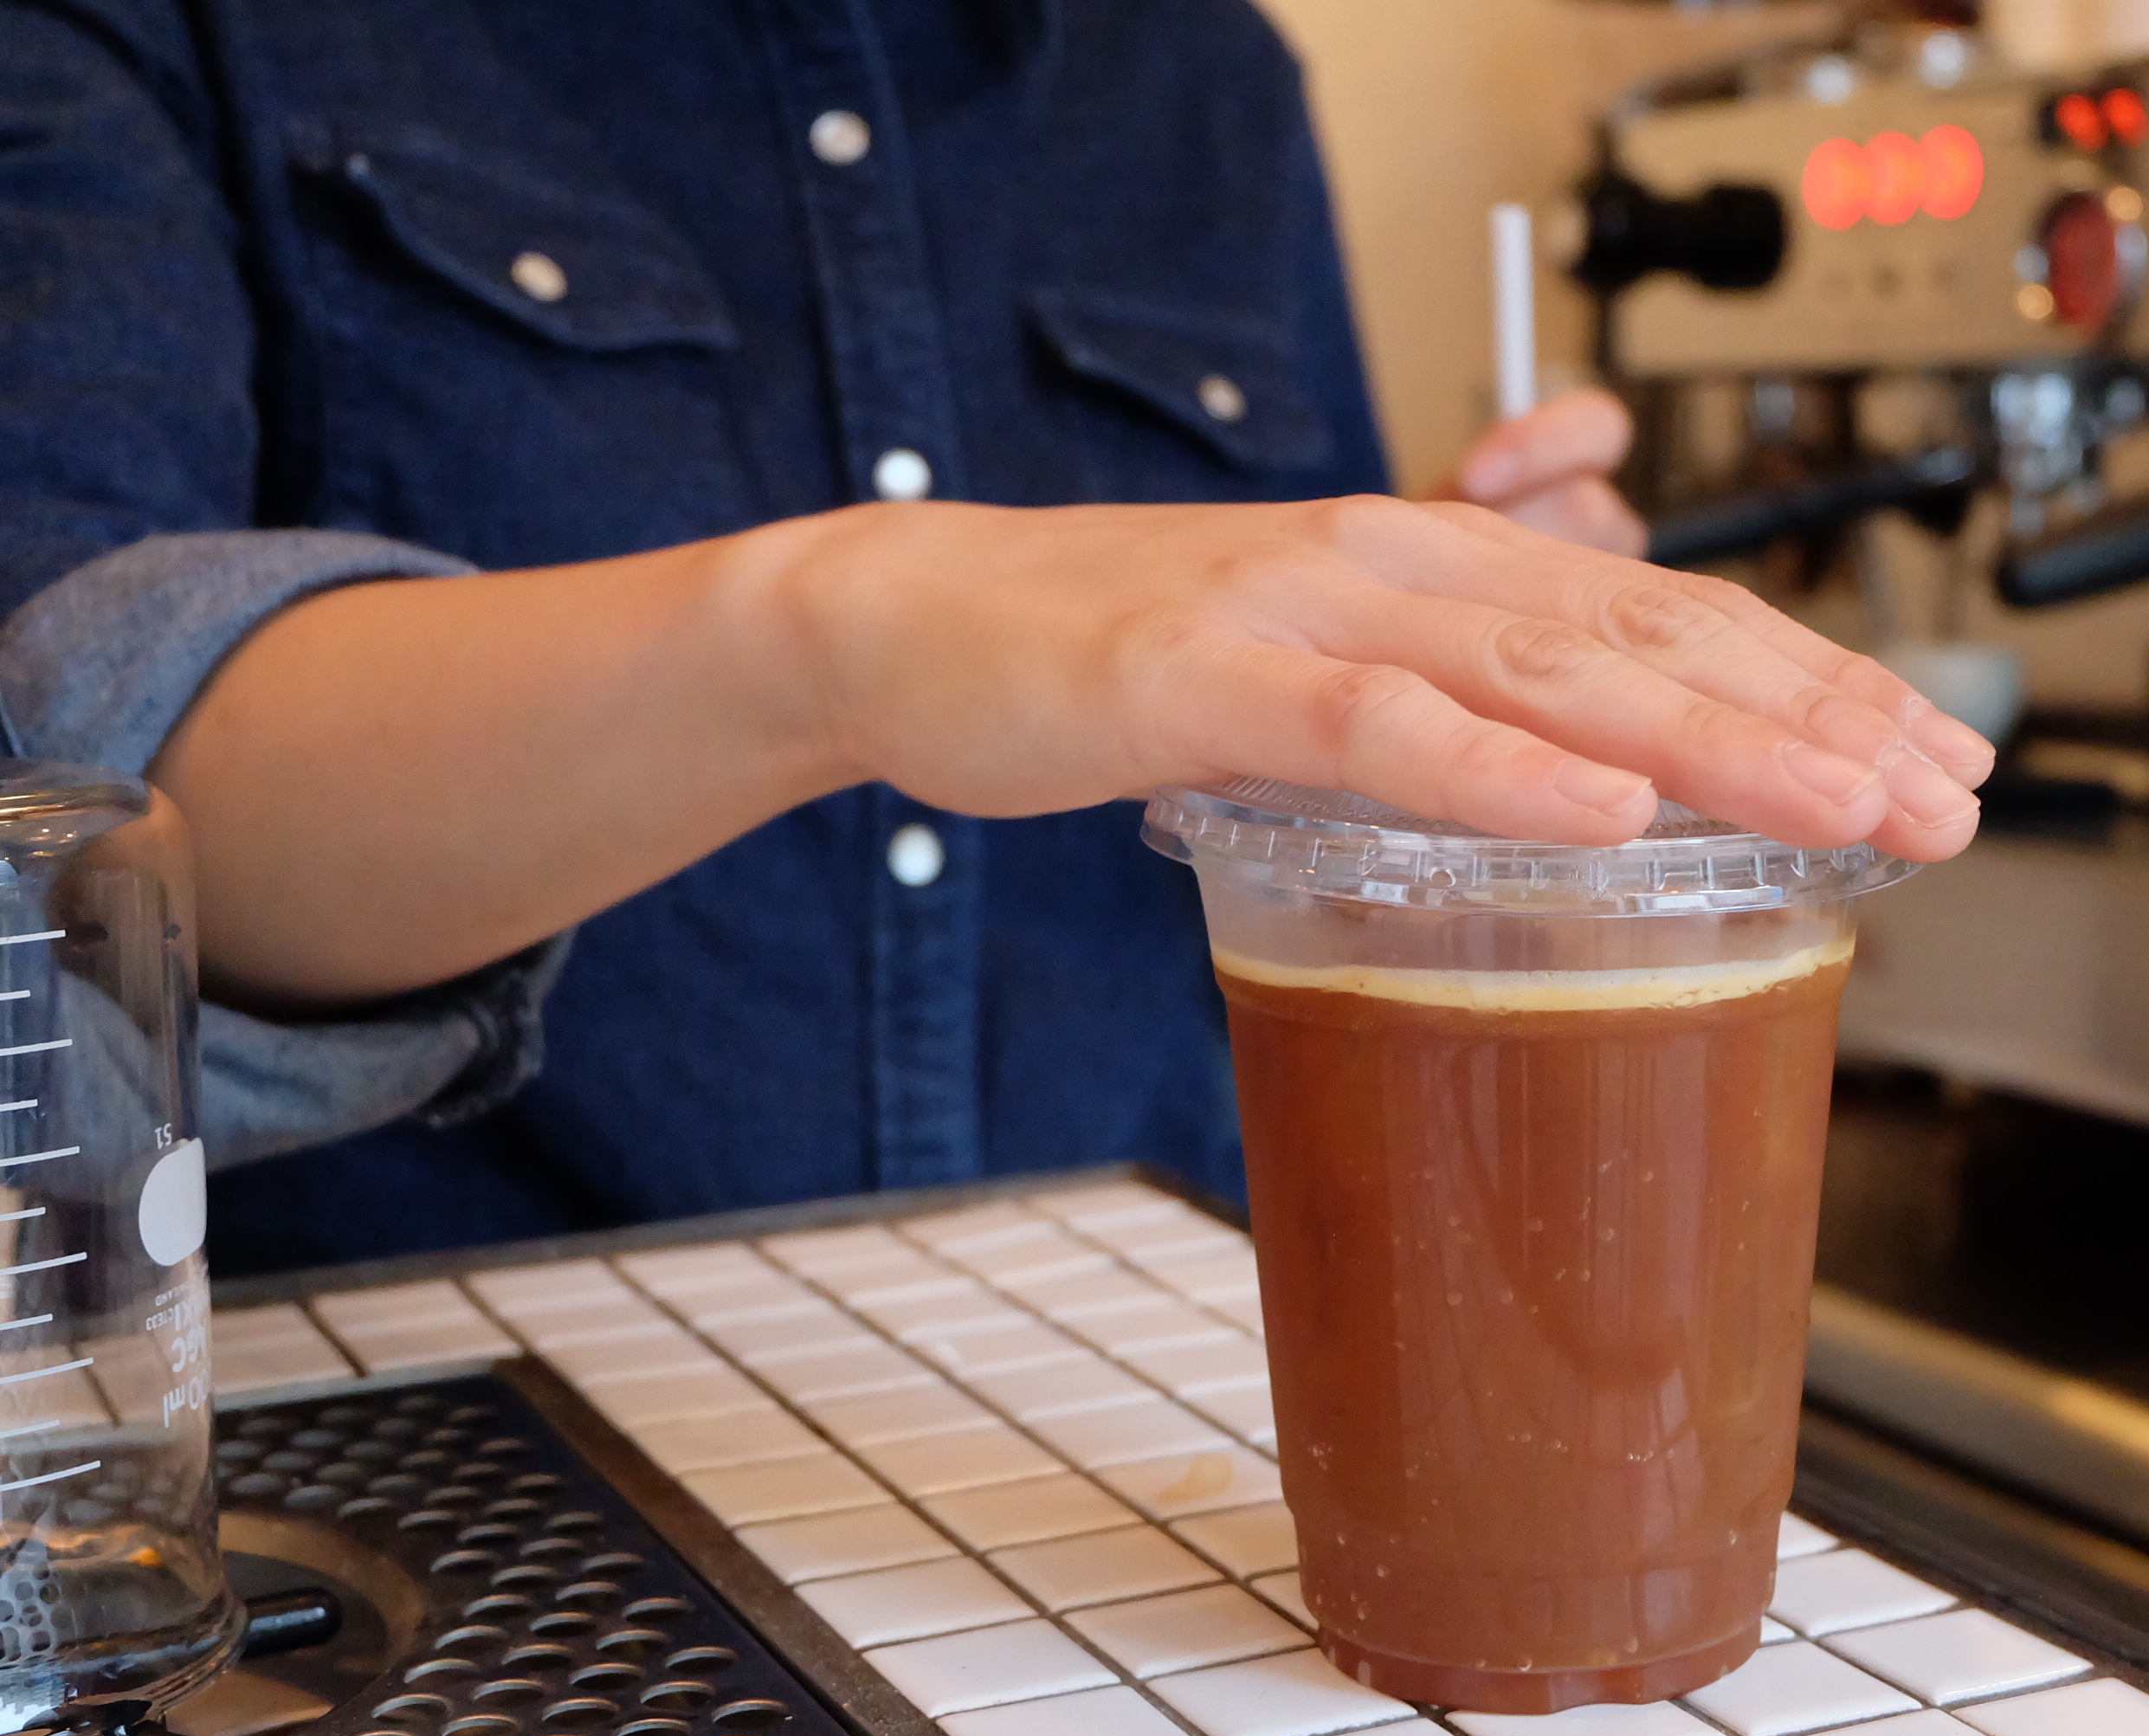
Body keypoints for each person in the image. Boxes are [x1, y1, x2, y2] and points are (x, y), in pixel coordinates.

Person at [0, 0, 1990, 1275]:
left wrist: (1465, 671)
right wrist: (839, 630)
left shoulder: (1201, 81)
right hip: (479, 1460)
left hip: (1161, 1420)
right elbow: (69, 818)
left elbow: (1304, 808)